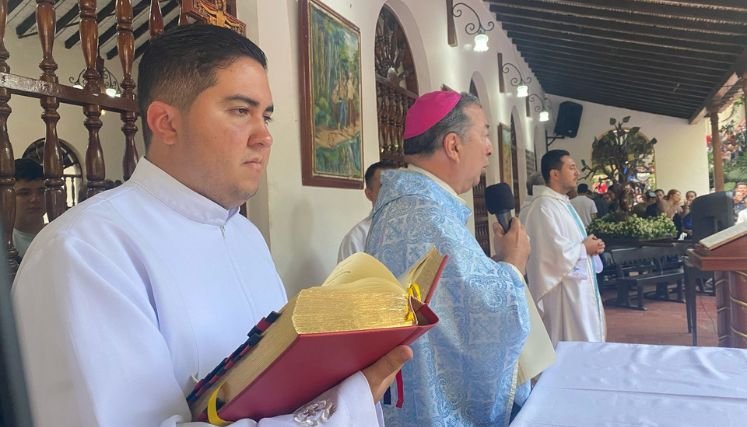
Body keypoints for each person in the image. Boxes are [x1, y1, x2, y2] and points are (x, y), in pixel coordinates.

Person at [12, 24, 410, 427]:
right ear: (166, 122)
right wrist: (341, 409)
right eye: (241, 111)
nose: (265, 136)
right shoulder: (85, 250)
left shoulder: (246, 236)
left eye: (266, 115)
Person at [366, 90, 533, 426]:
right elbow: (485, 314)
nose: (489, 148)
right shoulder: (430, 218)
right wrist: (513, 264)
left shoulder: (406, 207)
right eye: (484, 134)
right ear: (453, 145)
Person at [520, 149, 606, 346]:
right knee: (569, 346)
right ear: (554, 174)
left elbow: (566, 243)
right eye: (572, 168)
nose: (577, 173)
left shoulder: (560, 203)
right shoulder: (543, 207)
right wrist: (584, 249)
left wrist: (589, 245)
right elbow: (549, 254)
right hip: (563, 292)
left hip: (576, 285)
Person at [337, 160, 397, 262]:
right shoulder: (356, 239)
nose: (393, 192)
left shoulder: (416, 228)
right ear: (369, 194)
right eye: (385, 187)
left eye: (397, 186)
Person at [12, 158, 46, 260]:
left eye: (41, 191)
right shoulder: (5, 242)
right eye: (24, 193)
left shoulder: (59, 235)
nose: (35, 199)